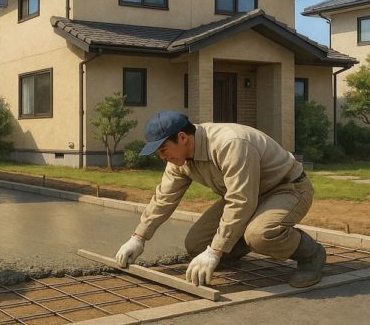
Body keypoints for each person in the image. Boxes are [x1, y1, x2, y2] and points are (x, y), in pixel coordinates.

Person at [115, 111, 325, 288]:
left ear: (182, 137)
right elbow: (164, 198)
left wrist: (215, 251)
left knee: (260, 234)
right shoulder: (179, 160)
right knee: (197, 244)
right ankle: (241, 239)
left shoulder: (230, 144)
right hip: (247, 196)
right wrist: (138, 237)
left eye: (163, 150)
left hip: (287, 188)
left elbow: (241, 201)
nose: (162, 157)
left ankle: (311, 255)